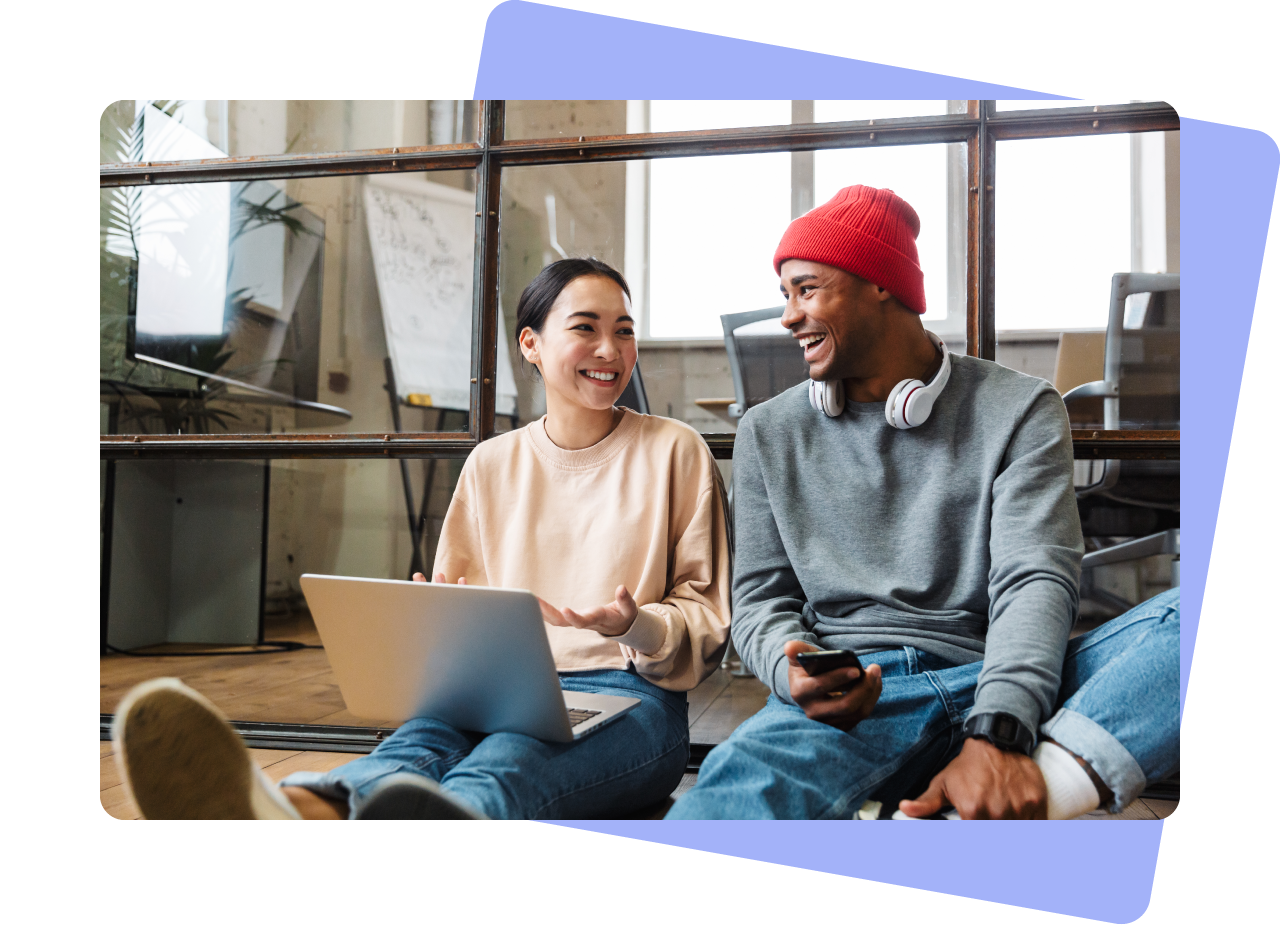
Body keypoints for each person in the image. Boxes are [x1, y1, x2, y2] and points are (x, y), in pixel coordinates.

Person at [113, 257, 731, 820]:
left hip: (632, 697)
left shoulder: (674, 450)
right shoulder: (491, 464)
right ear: (531, 344)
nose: (611, 348)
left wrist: (631, 625)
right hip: (495, 693)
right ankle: (294, 810)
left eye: (624, 330)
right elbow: (459, 612)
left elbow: (705, 620)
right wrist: (432, 621)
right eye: (586, 328)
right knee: (416, 744)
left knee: (511, 759)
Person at [666, 185, 1179, 821]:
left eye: (807, 289)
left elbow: (1034, 581)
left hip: (993, 673)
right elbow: (760, 600)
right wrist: (788, 668)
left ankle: (1021, 783)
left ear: (879, 284)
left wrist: (1000, 727)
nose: (789, 317)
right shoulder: (770, 431)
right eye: (786, 296)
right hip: (852, 702)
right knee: (713, 817)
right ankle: (981, 810)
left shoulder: (1019, 409)